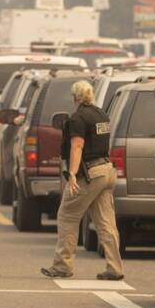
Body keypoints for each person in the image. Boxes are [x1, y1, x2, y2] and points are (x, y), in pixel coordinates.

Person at [40, 80, 125, 280]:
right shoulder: (101, 114)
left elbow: (77, 146)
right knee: (106, 223)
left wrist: (71, 174)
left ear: (75, 97)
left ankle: (62, 266)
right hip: (106, 170)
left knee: (67, 215)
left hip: (90, 173)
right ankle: (115, 268)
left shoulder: (78, 118)